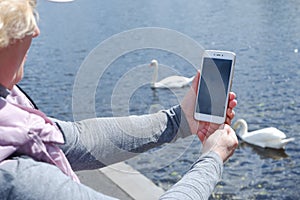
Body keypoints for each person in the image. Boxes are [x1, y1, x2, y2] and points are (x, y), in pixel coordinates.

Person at [0, 0, 238, 199]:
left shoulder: (10, 117)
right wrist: (211, 159)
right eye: (24, 19)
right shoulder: (18, 180)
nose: (35, 31)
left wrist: (180, 120)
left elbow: (75, 140)